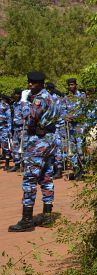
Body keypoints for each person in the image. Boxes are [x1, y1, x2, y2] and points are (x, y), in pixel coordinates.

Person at [8, 71, 58, 232]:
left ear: (41, 84)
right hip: (49, 141)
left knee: (29, 179)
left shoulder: (39, 99)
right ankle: (47, 216)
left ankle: (27, 220)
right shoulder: (48, 96)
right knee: (46, 177)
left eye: (33, 83)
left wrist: (22, 101)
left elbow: (27, 117)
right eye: (29, 82)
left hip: (38, 143)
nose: (30, 85)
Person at [64, 77, 85, 180]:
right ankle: (76, 169)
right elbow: (63, 110)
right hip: (70, 128)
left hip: (80, 126)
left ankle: (82, 169)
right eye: (69, 85)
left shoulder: (82, 96)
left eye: (72, 84)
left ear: (76, 85)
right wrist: (65, 116)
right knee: (72, 149)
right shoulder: (66, 98)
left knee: (80, 149)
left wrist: (74, 116)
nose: (71, 86)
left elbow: (84, 110)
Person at [8, 88, 26, 172]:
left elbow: (27, 116)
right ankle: (17, 164)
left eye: (17, 94)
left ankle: (25, 164)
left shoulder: (24, 104)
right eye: (15, 94)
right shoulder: (14, 104)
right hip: (15, 128)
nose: (16, 95)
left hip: (23, 128)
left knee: (23, 146)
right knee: (15, 146)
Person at [0, 95, 11, 170]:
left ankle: (7, 163)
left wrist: (9, 129)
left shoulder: (5, 105)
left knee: (5, 145)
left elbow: (9, 117)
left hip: (4, 127)